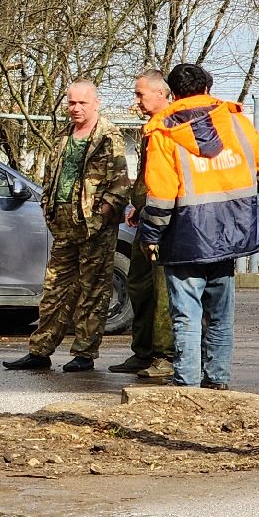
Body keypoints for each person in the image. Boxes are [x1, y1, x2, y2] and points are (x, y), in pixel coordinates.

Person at [138, 63, 259, 390]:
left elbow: (160, 195)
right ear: (208, 88)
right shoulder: (236, 122)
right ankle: (217, 381)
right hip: (231, 234)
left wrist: (150, 235)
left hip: (185, 238)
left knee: (186, 316)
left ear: (172, 93)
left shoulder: (164, 132)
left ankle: (186, 385)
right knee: (220, 315)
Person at [7, 80, 131, 374]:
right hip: (63, 224)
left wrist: (100, 216)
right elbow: (52, 176)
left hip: (94, 228)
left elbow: (120, 186)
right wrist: (48, 205)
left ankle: (84, 354)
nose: (75, 108)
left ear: (95, 103)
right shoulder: (65, 135)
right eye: (71, 102)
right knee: (54, 290)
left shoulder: (108, 137)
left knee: (92, 292)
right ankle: (40, 350)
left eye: (82, 103)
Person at [111, 71, 177, 380]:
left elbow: (168, 180)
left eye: (140, 95)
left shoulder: (171, 126)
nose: (136, 101)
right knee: (139, 284)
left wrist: (154, 211)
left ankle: (165, 356)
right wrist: (139, 206)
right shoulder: (149, 129)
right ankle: (143, 351)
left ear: (161, 94)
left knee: (162, 289)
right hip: (146, 216)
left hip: (164, 223)